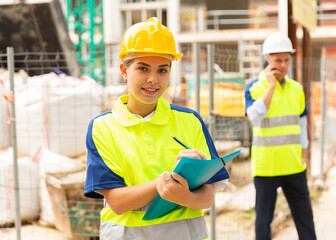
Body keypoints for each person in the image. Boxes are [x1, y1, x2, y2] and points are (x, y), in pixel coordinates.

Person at [84, 17, 229, 240]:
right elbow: (117, 202)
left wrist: (186, 196)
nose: (153, 79)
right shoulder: (103, 128)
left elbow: (207, 197)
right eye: (143, 68)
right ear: (124, 70)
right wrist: (167, 182)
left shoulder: (190, 121)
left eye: (162, 70)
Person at [244, 32, 317, 240]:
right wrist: (271, 87)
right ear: (267, 60)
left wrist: (304, 153)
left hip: (294, 166)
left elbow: (302, 123)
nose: (283, 65)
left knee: (305, 220)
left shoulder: (296, 89)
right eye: (278, 60)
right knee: (263, 221)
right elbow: (254, 117)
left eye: (286, 59)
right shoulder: (255, 87)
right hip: (266, 167)